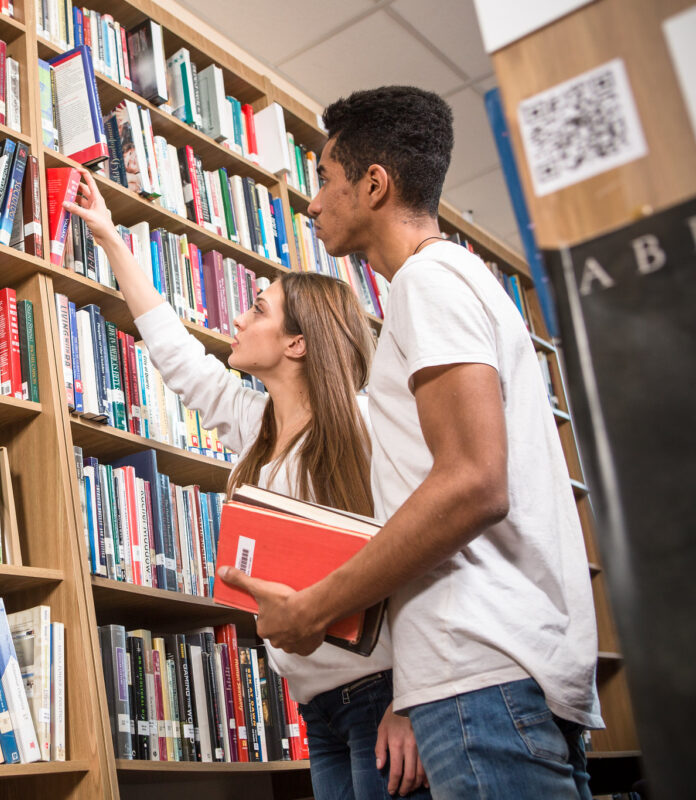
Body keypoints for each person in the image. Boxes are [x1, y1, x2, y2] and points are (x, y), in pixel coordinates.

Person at [217, 86, 602, 799]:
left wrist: (315, 606)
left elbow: (472, 484)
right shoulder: (455, 284)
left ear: (373, 185)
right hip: (494, 674)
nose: (313, 203)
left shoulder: (429, 282)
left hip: (480, 678)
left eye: (326, 181)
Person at [65, 170, 431, 799]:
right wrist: (109, 238)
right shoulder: (255, 427)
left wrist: (415, 700)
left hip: (384, 697)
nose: (238, 316)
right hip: (316, 706)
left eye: (258, 308)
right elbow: (177, 356)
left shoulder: (370, 428)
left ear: (297, 342)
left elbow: (419, 557)